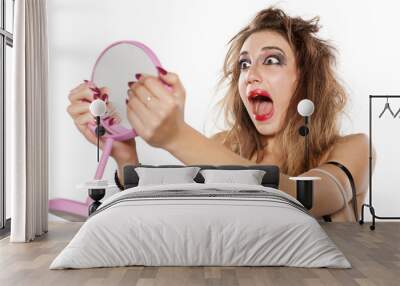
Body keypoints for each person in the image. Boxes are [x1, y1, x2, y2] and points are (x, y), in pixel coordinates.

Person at [67, 7, 376, 222]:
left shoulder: (353, 149)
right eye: (244, 64)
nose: (251, 74)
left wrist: (178, 137)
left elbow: (306, 199)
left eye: (271, 60)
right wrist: (125, 156)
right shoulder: (222, 146)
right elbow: (162, 212)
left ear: (305, 79)